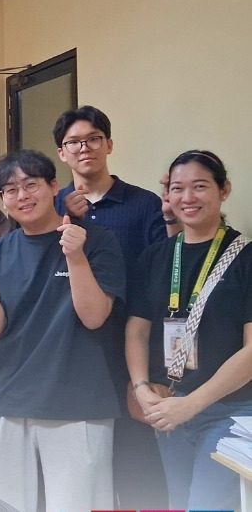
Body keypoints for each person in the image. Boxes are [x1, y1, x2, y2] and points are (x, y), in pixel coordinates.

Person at [0, 149, 125, 512]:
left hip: (77, 402)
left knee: (77, 505)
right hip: (7, 400)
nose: (22, 196)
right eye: (10, 190)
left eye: (31, 185)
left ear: (54, 186)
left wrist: (76, 257)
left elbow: (95, 317)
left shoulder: (96, 241)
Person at [52, 105, 170, 508]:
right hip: (74, 350)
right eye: (73, 142)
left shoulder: (144, 203)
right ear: (62, 153)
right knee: (84, 466)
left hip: (133, 345)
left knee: (138, 460)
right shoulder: (51, 207)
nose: (84, 148)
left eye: (93, 139)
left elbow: (160, 269)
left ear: (109, 145)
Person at [126, 150, 252, 511]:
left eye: (200, 186)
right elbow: (137, 330)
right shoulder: (156, 256)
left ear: (223, 190)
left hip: (230, 413)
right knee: (179, 504)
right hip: (170, 411)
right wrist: (141, 388)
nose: (187, 197)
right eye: (178, 188)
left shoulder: (246, 257)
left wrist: (191, 405)